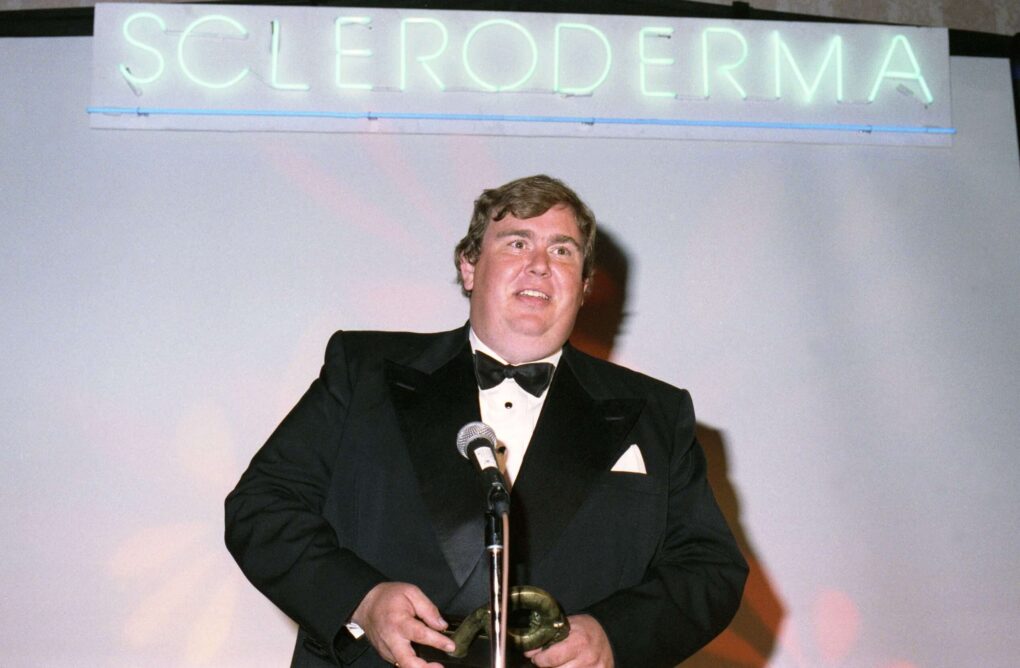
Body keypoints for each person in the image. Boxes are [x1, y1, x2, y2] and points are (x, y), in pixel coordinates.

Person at [225, 175, 747, 668]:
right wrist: (361, 600)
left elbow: (709, 569)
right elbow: (262, 508)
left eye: (562, 250)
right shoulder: (363, 373)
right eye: (517, 243)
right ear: (470, 266)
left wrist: (614, 633)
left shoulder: (656, 412)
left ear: (585, 285)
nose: (540, 264)